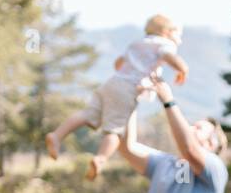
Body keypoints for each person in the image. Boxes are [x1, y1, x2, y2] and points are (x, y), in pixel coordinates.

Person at [46, 14, 189, 180]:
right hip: (127, 89)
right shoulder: (163, 44)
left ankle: (57, 135)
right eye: (178, 34)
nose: (180, 40)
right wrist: (182, 69)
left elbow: (118, 64)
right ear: (167, 32)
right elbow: (169, 56)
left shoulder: (137, 44)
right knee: (115, 130)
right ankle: (101, 158)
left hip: (112, 83)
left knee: (87, 114)